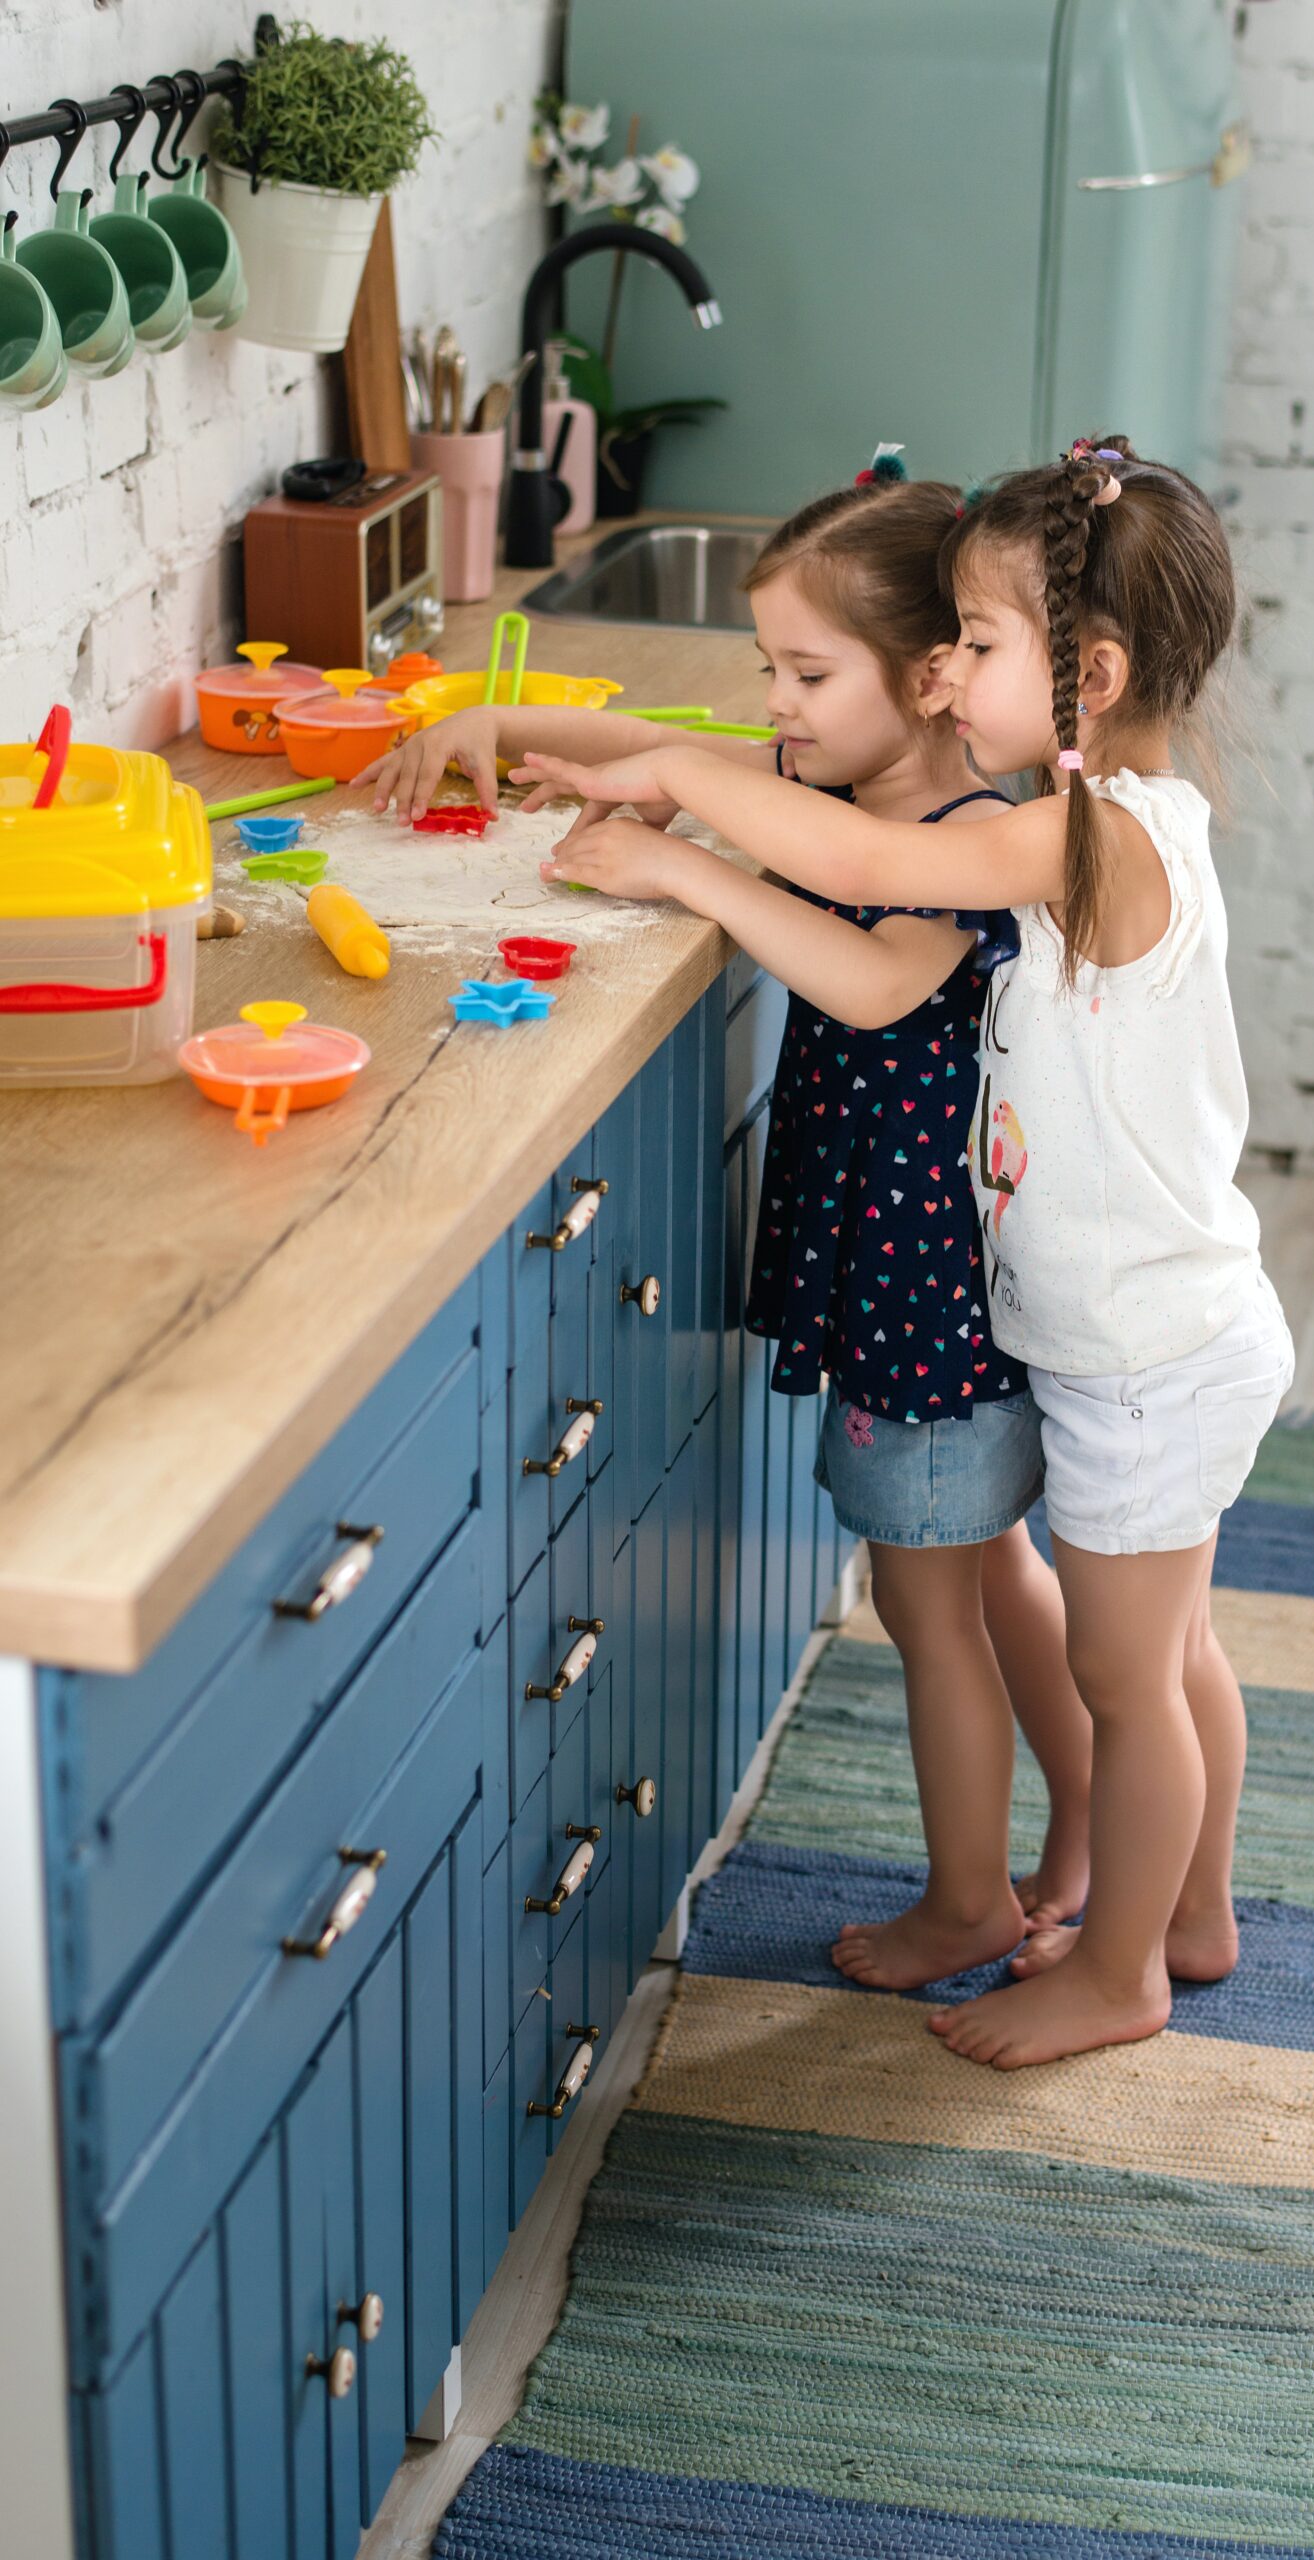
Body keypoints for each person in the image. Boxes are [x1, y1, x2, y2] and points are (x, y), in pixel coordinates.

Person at [527, 438, 1293, 2070]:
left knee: (1125, 1677)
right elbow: (842, 832)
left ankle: (1123, 1976)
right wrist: (643, 765)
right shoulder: (1115, 812)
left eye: (980, 642)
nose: (946, 671)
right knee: (1167, 1657)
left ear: (1084, 675)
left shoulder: (1080, 841)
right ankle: (1192, 1913)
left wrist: (671, 831)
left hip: (1145, 1359)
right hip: (1168, 1327)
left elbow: (869, 874)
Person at [358, 458, 1097, 1987]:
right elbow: (658, 744)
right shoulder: (853, 782)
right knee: (984, 1569)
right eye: (770, 666)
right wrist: (491, 727)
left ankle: (969, 1899)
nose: (778, 702)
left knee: (926, 1600)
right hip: (931, 1281)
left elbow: (874, 979)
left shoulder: (959, 824)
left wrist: (681, 858)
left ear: (933, 678)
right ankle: (1076, 1833)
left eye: (808, 671)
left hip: (929, 1295)